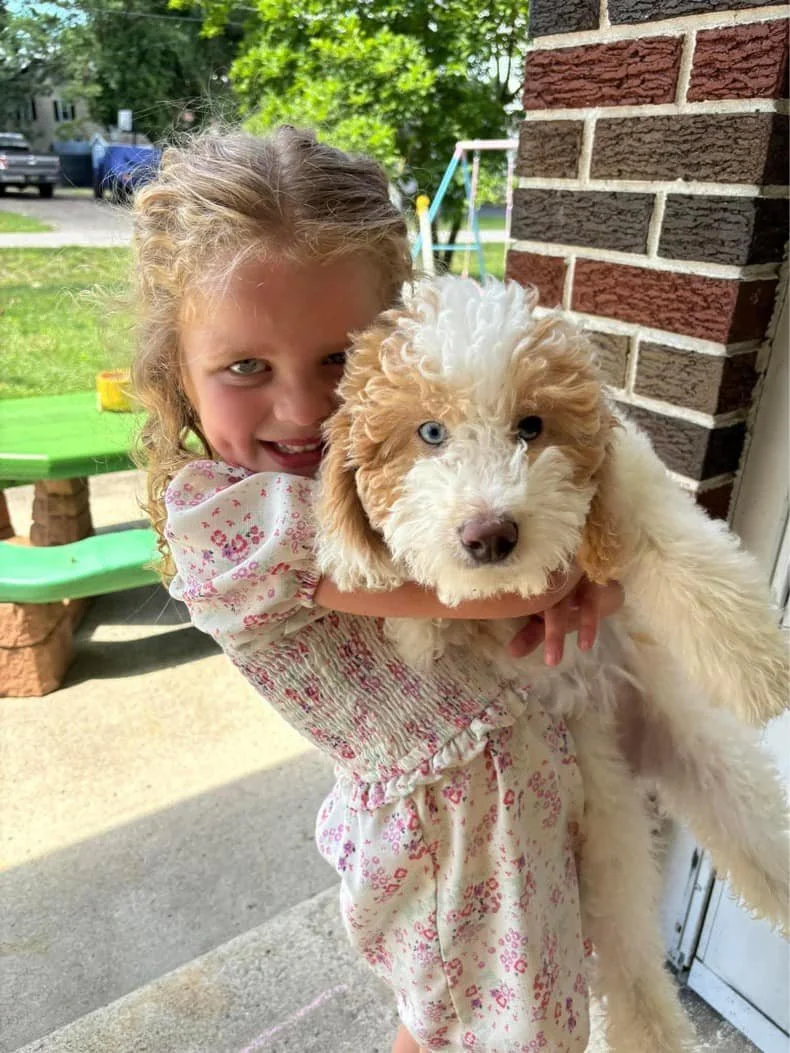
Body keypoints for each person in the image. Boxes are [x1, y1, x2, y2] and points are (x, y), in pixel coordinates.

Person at [132, 126, 624, 1053]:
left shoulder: (395, 476)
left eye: (338, 356)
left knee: (442, 1025)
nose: (305, 408)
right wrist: (584, 573)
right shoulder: (228, 522)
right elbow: (492, 588)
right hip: (455, 839)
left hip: (509, 797)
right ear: (175, 371)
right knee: (513, 1033)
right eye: (246, 367)